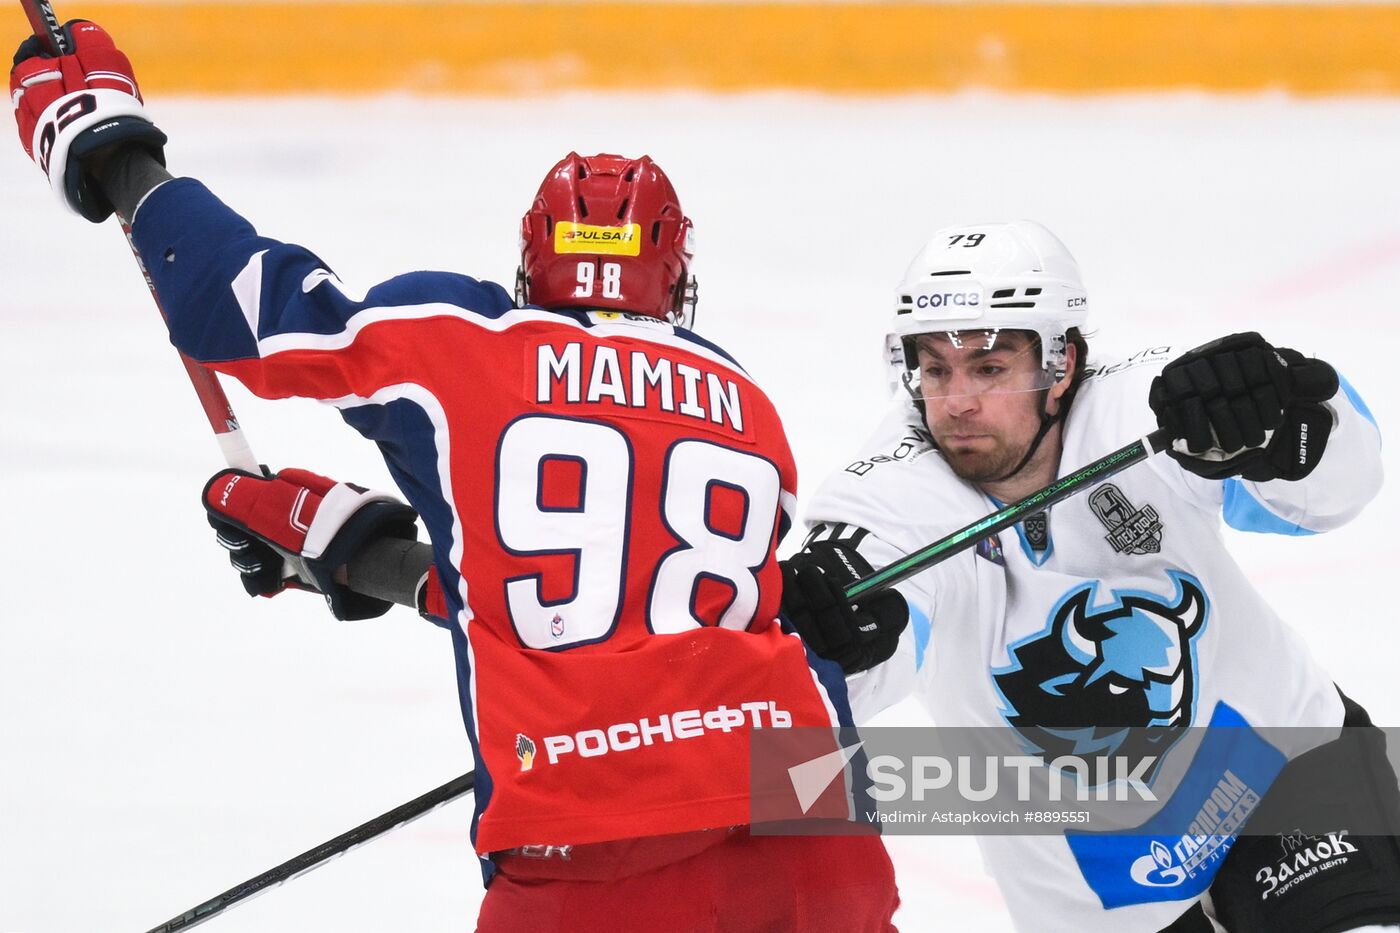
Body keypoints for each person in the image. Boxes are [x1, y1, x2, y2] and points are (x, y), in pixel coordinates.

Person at [10, 22, 901, 930]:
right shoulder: (745, 403)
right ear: (675, 277)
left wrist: (109, 144)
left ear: (531, 261)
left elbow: (232, 302)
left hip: (593, 858)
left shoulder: (466, 340)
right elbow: (625, 603)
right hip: (814, 820)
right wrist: (353, 552)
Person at [777, 220, 1400, 932]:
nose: (955, 403)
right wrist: (836, 636)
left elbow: (1340, 487)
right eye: (935, 368)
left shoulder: (1150, 407)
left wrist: (1293, 429)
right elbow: (866, 644)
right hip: (1103, 880)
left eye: (989, 367)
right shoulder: (891, 491)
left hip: (1275, 759)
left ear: (1061, 364)